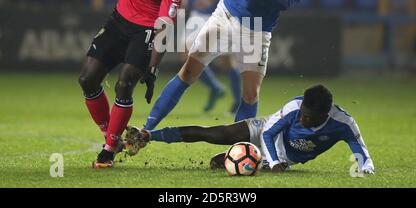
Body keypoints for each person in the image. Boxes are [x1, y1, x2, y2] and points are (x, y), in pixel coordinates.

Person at [144, 0, 328, 130]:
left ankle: (237, 149)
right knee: (187, 72)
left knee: (250, 94)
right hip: (225, 17)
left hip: (256, 30)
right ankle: (145, 130)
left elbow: (285, 2)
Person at [78, 0, 199, 168]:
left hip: (145, 29)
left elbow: (164, 28)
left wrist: (153, 69)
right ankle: (111, 131)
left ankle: (108, 150)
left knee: (125, 83)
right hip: (119, 18)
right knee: (87, 79)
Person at [126, 84, 375, 174]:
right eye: (302, 114)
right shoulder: (294, 109)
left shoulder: (342, 123)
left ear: (323, 114)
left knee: (239, 167)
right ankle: (149, 135)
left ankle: (237, 157)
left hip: (287, 155)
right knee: (218, 133)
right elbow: (269, 133)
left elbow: (359, 147)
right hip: (266, 130)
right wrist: (274, 161)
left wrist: (366, 169)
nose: (302, 120)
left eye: (309, 118)